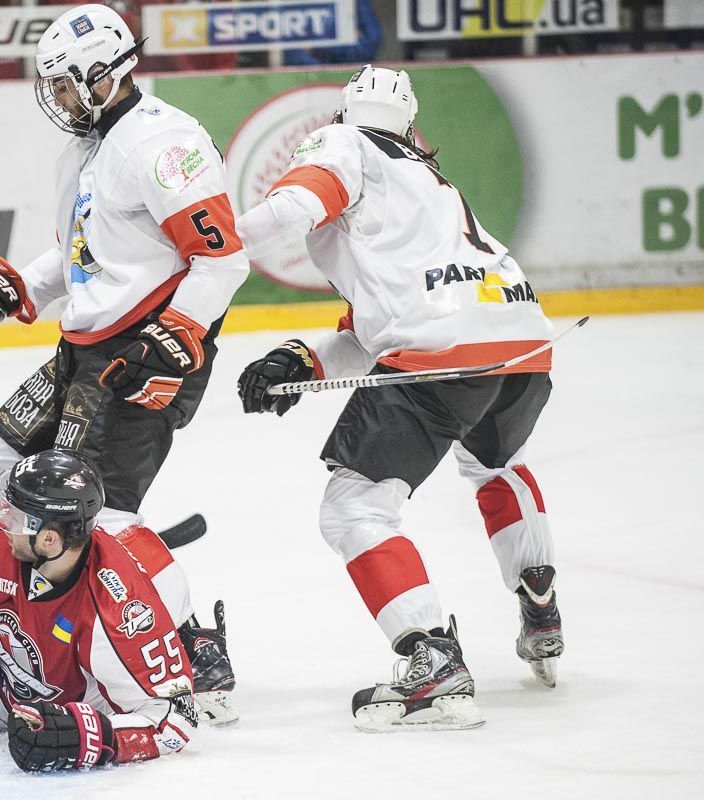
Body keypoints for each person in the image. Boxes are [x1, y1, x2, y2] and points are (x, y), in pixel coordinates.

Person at [233, 66, 564, 732]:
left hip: (444, 355)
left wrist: (192, 244)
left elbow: (292, 210)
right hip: (524, 343)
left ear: (343, 117)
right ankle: (540, 599)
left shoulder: (345, 145)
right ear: (412, 125)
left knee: (353, 508)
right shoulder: (431, 181)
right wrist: (301, 358)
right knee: (495, 465)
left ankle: (430, 655)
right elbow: (376, 327)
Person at [0, 5, 248, 576]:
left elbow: (222, 263)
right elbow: (84, 257)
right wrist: (9, 291)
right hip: (85, 352)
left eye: (61, 85)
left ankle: (185, 636)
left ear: (101, 75)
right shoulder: (84, 151)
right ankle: (35, 595)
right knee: (1, 457)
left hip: (145, 355)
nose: (55, 99)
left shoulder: (165, 144)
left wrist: (172, 339)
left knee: (101, 517)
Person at [0, 449, 232, 771]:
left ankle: (187, 644)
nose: (1, 522)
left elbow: (175, 721)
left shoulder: (117, 611)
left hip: (54, 693)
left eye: (15, 517)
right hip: (3, 670)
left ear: (49, 538)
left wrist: (86, 736)